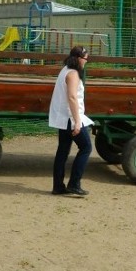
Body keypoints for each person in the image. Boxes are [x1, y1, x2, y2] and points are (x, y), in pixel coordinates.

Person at [49, 46, 94, 197]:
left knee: (62, 151)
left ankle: (58, 186)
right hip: (70, 118)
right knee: (86, 147)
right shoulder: (73, 74)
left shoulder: (65, 70)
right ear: (80, 58)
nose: (86, 62)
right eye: (86, 59)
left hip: (63, 118)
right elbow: (72, 98)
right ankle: (74, 184)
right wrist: (77, 121)